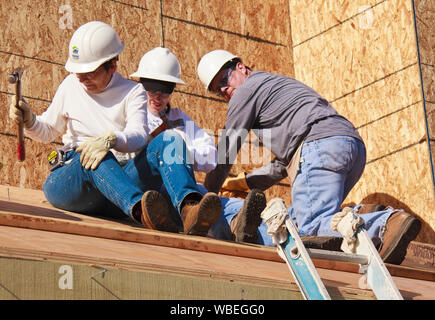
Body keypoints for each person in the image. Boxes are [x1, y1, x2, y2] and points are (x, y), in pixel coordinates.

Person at [196, 49, 421, 264]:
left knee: (309, 230)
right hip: (347, 145)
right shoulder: (272, 86)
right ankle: (363, 217)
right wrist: (246, 182)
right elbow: (284, 164)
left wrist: (207, 199)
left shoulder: (246, 91)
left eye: (224, 80)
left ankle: (384, 224)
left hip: (319, 147)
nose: (224, 90)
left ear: (241, 67)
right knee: (292, 224)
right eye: (217, 90)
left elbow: (226, 150)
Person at [8, 21, 224, 237]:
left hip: (115, 191)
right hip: (71, 187)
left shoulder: (133, 92)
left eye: (89, 72)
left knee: (170, 139)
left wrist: (112, 138)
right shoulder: (70, 85)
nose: (81, 78)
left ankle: (189, 209)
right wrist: (29, 121)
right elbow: (47, 130)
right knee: (93, 154)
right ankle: (143, 212)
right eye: (77, 72)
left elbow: (139, 136)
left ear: (112, 66)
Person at [130, 47, 266, 241]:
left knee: (230, 208)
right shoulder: (131, 112)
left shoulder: (178, 119)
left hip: (184, 193)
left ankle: (249, 228)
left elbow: (211, 156)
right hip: (147, 191)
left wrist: (179, 151)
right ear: (141, 84)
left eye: (166, 90)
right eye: (152, 89)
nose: (158, 97)